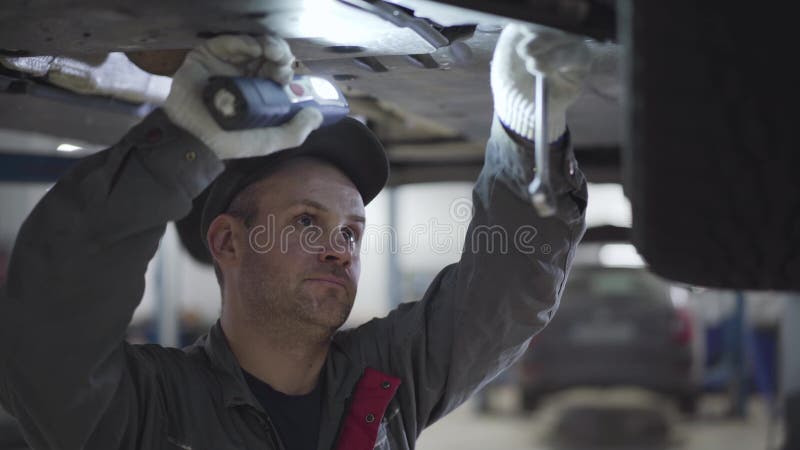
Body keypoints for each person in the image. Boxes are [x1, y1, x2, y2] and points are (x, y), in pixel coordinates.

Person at [0, 24, 589, 450]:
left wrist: (526, 127)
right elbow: (55, 315)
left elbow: (502, 299)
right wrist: (184, 139)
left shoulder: (388, 382)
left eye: (352, 231)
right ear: (227, 243)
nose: (340, 248)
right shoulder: (148, 409)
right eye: (307, 222)